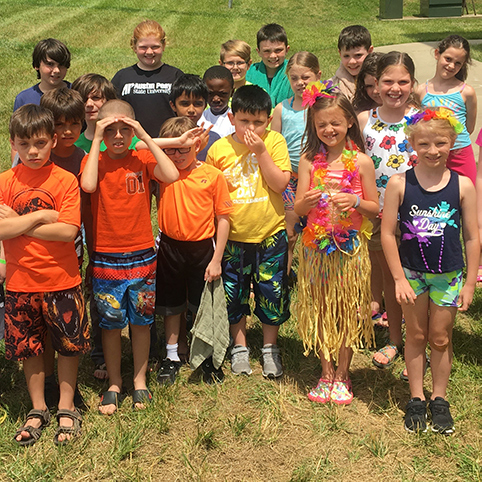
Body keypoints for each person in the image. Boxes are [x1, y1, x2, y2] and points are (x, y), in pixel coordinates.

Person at [381, 108, 478, 434]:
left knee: (439, 337)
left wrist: (469, 283)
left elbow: (472, 236)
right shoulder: (399, 184)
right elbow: (387, 234)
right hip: (411, 275)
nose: (432, 150)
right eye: (424, 144)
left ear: (453, 142)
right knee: (417, 335)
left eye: (440, 143)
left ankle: (439, 398)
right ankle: (416, 398)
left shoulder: (463, 186)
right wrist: (398, 278)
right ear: (412, 144)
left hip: (448, 275)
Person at [80, 100, 179, 415]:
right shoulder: (94, 160)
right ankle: (114, 382)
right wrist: (96, 139)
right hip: (106, 259)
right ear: (101, 132)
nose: (119, 136)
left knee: (141, 322)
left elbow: (171, 174)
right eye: (111, 130)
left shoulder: (142, 157)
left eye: (126, 129)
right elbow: (88, 184)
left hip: (142, 257)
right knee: (110, 325)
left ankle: (139, 380)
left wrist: (145, 136)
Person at [1, 104, 90, 445]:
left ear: (53, 140)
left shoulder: (65, 180)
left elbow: (67, 232)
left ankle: (67, 405)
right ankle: (38, 407)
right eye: (24, 144)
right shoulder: (5, 182)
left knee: (68, 346)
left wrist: (17, 223)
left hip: (61, 279)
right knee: (31, 348)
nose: (33, 151)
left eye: (40, 143)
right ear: (13, 144)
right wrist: (40, 218)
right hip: (20, 282)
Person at [294, 81, 378, 404]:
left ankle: (343, 374)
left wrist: (355, 201)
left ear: (349, 123)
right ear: (313, 127)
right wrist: (306, 202)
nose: (329, 130)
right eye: (322, 125)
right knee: (321, 308)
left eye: (335, 123)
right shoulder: (307, 161)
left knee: (344, 309)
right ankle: (325, 372)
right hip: (316, 248)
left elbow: (374, 208)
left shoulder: (362, 163)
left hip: (349, 249)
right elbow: (298, 207)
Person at [206, 85, 291, 379]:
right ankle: (239, 345)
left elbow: (280, 184)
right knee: (233, 294)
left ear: (269, 120)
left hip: (270, 233)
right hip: (233, 237)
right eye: (244, 121)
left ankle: (269, 347)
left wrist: (261, 152)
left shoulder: (274, 142)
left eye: (258, 122)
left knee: (272, 291)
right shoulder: (219, 149)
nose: (251, 128)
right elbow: (212, 196)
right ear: (232, 118)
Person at [154, 117, 233, 385]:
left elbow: (223, 218)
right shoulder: (161, 172)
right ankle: (172, 355)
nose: (176, 155)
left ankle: (207, 356)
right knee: (172, 305)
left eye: (183, 149)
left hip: (202, 248)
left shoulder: (213, 175)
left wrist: (217, 259)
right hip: (170, 246)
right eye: (170, 150)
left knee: (202, 305)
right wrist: (173, 142)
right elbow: (139, 145)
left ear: (197, 145)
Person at [358, 52, 419, 376]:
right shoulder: (364, 120)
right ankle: (395, 339)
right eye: (388, 81)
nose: (395, 88)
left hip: (417, 214)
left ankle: (418, 345)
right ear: (376, 84)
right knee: (394, 279)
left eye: (403, 81)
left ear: (413, 83)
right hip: (379, 215)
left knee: (418, 281)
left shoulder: (422, 119)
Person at [271, 51, 321, 276]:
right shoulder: (282, 109)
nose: (300, 82)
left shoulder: (324, 106)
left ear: (318, 75)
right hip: (291, 179)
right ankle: (284, 279)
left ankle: (315, 277)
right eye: (294, 78)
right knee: (289, 234)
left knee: (318, 231)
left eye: (306, 77)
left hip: (318, 177)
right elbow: (275, 144)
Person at [352, 52, 386, 327]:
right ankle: (376, 299)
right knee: (374, 251)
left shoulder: (412, 113)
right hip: (373, 196)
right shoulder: (363, 116)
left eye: (379, 83)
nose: (375, 90)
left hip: (404, 195)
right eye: (369, 85)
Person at [415, 35, 477, 185]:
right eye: (448, 59)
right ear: (437, 54)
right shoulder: (421, 91)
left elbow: (469, 127)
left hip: (460, 152)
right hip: (432, 153)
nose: (451, 66)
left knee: (469, 192)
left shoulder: (466, 92)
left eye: (457, 63)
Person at [111, 20, 183, 138]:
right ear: (134, 47)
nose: (149, 52)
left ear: (164, 46)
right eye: (143, 47)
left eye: (155, 47)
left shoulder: (175, 76)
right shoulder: (122, 77)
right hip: (132, 143)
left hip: (169, 142)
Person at [169, 74, 220, 161]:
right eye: (185, 104)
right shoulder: (165, 139)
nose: (191, 110)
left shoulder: (212, 139)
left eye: (198, 104)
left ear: (205, 106)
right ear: (173, 105)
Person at [13, 38, 71, 111]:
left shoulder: (77, 93)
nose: (57, 70)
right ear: (37, 65)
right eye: (50, 64)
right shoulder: (24, 99)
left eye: (61, 65)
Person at [245, 23, 293, 106]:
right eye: (267, 51)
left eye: (278, 50)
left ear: (287, 50)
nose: (273, 56)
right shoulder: (249, 73)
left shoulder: (295, 72)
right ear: (258, 52)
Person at [330, 25, 373, 102]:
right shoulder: (333, 86)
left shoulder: (380, 79)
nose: (352, 61)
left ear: (370, 51)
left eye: (358, 55)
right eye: (346, 56)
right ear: (340, 53)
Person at [199, 66, 235, 138]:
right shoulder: (198, 118)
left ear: (232, 92)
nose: (216, 99)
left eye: (223, 94)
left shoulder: (236, 121)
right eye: (210, 93)